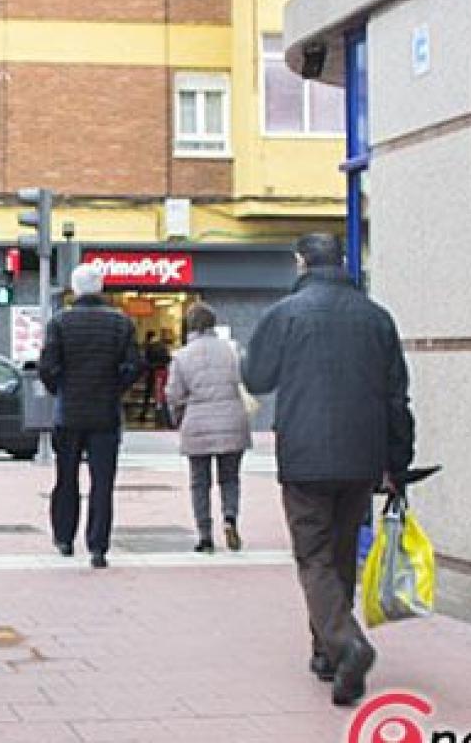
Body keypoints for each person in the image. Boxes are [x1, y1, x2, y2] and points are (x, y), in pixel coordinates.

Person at [243, 233, 414, 708]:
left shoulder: (285, 314)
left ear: (301, 262)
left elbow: (256, 377)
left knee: (314, 555)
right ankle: (327, 654)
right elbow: (397, 397)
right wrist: (397, 462)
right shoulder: (377, 318)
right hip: (362, 456)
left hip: (304, 454)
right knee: (339, 552)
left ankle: (345, 642)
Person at [39, 263, 143, 569]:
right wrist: (115, 388)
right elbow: (133, 366)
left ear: (74, 288)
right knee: (102, 482)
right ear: (101, 287)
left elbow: (47, 366)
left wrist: (61, 388)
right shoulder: (121, 323)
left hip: (69, 411)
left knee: (66, 477)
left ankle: (64, 538)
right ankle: (98, 546)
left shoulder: (60, 322)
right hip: (105, 413)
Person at [166, 303, 251, 554]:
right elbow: (245, 381)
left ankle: (204, 535)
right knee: (230, 478)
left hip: (198, 422)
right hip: (232, 421)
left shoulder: (182, 356)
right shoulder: (232, 351)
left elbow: (174, 394)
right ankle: (230, 518)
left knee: (199, 482)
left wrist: (178, 419)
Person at [140, 331, 169, 422]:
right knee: (160, 394)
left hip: (152, 372)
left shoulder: (149, 347)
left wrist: (149, 368)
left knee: (148, 394)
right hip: (162, 372)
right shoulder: (163, 346)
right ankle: (161, 415)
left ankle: (143, 413)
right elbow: (168, 359)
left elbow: (145, 361)